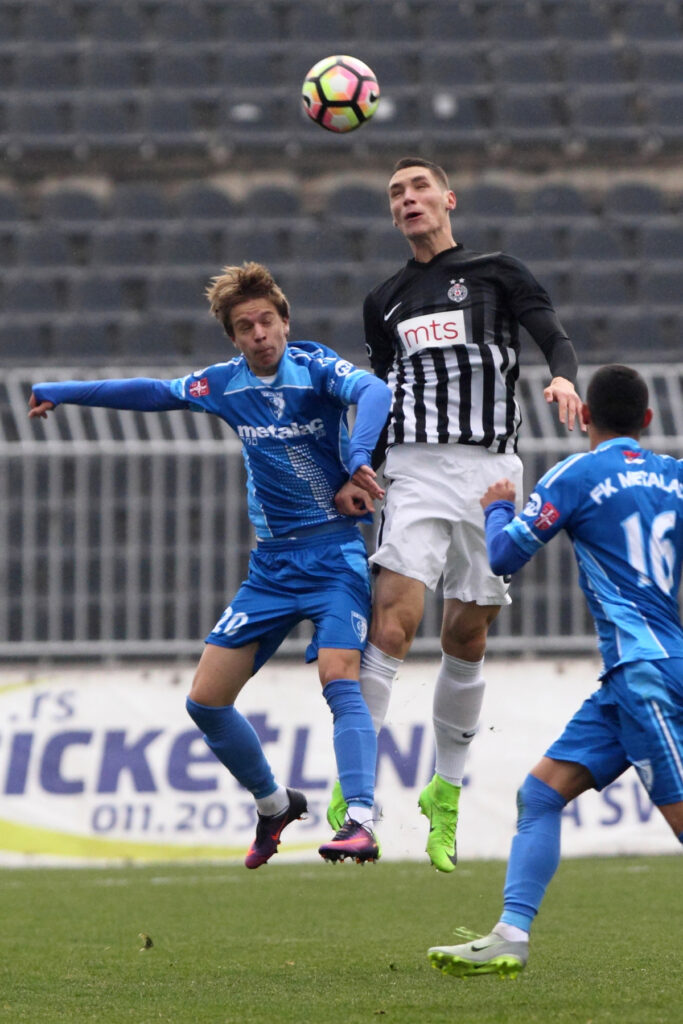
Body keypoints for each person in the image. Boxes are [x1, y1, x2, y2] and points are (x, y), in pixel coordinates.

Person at [29, 261, 392, 868]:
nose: (260, 334)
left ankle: (360, 818)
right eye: (246, 326)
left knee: (339, 679)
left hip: (334, 554)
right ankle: (275, 805)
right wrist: (61, 392)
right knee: (205, 701)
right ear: (232, 337)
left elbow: (374, 391)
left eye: (268, 321)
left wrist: (358, 458)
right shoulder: (224, 385)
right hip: (272, 568)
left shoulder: (314, 367)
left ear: (284, 321)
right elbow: (153, 392)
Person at [330, 156, 585, 872]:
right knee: (392, 622)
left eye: (417, 188)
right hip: (413, 468)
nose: (406, 200)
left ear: (447, 199)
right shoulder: (383, 299)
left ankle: (444, 790)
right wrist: (364, 466)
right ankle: (357, 800)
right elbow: (384, 389)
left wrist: (563, 375)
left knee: (464, 636)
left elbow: (550, 335)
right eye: (394, 193)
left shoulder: (498, 272)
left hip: (489, 473)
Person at [428, 363, 683, 978]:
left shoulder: (577, 473)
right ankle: (511, 934)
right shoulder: (677, 476)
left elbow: (503, 553)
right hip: (643, 671)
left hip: (642, 671)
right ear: (648, 421)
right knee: (539, 794)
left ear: (585, 418)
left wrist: (497, 508)